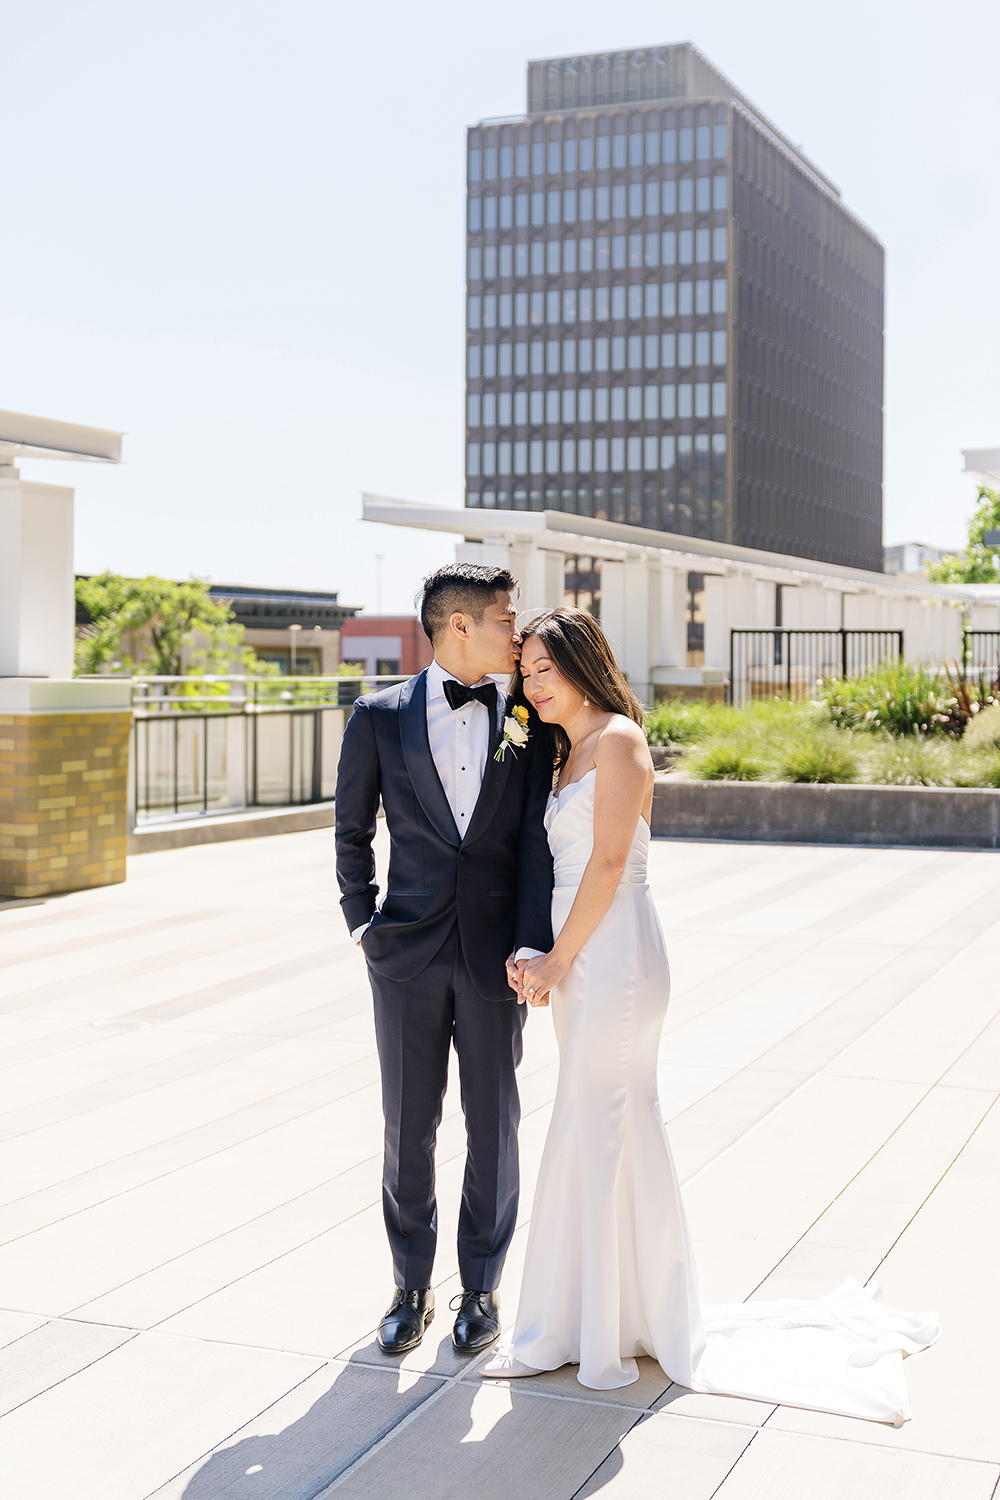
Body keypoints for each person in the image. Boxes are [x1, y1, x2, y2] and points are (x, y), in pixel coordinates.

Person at [481, 607, 939, 1425]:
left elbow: (612, 862)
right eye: (528, 672)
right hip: (582, 955)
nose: (533, 684)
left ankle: (620, 1326)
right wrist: (539, 953)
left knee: (612, 1123)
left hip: (615, 954)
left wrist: (558, 959)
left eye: (546, 668)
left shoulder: (618, 738)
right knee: (589, 1126)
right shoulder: (562, 750)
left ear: (585, 665)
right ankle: (588, 1320)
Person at [335, 564, 554, 1359]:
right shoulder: (379, 717)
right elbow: (351, 831)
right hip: (406, 957)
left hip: (498, 959)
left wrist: (534, 942)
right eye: (506, 616)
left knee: (494, 1122)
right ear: (459, 625)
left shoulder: (530, 717)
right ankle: (408, 1287)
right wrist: (363, 924)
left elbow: (533, 842)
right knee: (407, 1128)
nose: (518, 629)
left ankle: (482, 1289)